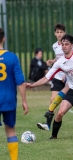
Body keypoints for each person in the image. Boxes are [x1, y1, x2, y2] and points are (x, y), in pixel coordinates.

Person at [37, 23, 73, 130]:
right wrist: (52, 61)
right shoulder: (55, 46)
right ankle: (48, 124)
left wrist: (66, 73)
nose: (59, 34)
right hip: (58, 77)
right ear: (55, 33)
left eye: (61, 32)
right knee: (53, 98)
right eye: (57, 32)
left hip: (68, 77)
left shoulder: (71, 46)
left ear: (64, 33)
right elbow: (59, 58)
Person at [0, 28, 28, 160]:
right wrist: (24, 101)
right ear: (3, 39)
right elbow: (21, 82)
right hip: (9, 100)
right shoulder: (12, 57)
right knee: (10, 131)